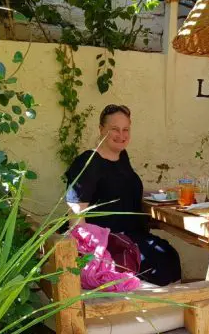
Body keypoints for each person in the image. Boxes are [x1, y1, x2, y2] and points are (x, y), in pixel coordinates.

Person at [65, 104, 182, 286]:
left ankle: (169, 312)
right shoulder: (88, 163)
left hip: (132, 235)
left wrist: (165, 193)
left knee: (167, 256)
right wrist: (92, 256)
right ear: (101, 129)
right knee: (161, 263)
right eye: (114, 129)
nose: (121, 135)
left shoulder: (121, 157)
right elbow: (76, 218)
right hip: (107, 240)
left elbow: (123, 188)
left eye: (125, 129)